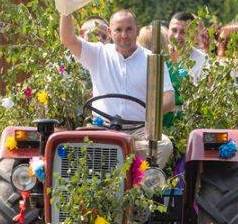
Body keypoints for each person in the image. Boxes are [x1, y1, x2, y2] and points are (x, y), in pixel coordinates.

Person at [59, 9, 176, 165]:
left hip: (140, 132)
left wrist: (151, 110)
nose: (124, 35)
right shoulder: (98, 54)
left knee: (164, 145)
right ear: (109, 32)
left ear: (137, 30)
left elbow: (169, 98)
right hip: (102, 129)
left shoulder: (152, 60)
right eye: (118, 30)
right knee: (72, 148)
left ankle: (141, 184)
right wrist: (66, 9)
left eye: (129, 29)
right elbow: (68, 40)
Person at [168, 12, 209, 81]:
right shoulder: (158, 55)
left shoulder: (203, 61)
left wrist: (176, 64)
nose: (177, 36)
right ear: (168, 30)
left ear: (193, 35)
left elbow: (187, 87)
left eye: (183, 32)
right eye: (174, 30)